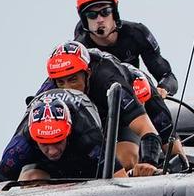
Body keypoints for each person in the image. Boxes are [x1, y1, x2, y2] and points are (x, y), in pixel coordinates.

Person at [43, 41, 162, 176]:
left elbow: (146, 128)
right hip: (82, 127)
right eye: (61, 82)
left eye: (73, 80)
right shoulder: (49, 90)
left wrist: (149, 163)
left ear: (88, 74)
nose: (67, 88)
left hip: (116, 117)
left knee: (126, 158)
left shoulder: (108, 80)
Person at [0, 90, 127, 184]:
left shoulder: (88, 136)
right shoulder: (21, 145)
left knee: (117, 166)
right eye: (45, 144)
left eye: (58, 141)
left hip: (83, 160)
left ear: (69, 131)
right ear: (34, 139)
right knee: (31, 180)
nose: (52, 151)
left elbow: (121, 179)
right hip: (43, 166)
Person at [73, 0, 179, 98]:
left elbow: (167, 75)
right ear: (84, 20)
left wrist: (163, 88)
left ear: (114, 13)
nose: (100, 19)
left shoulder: (136, 33)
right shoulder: (79, 49)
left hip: (134, 99)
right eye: (92, 15)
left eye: (105, 12)